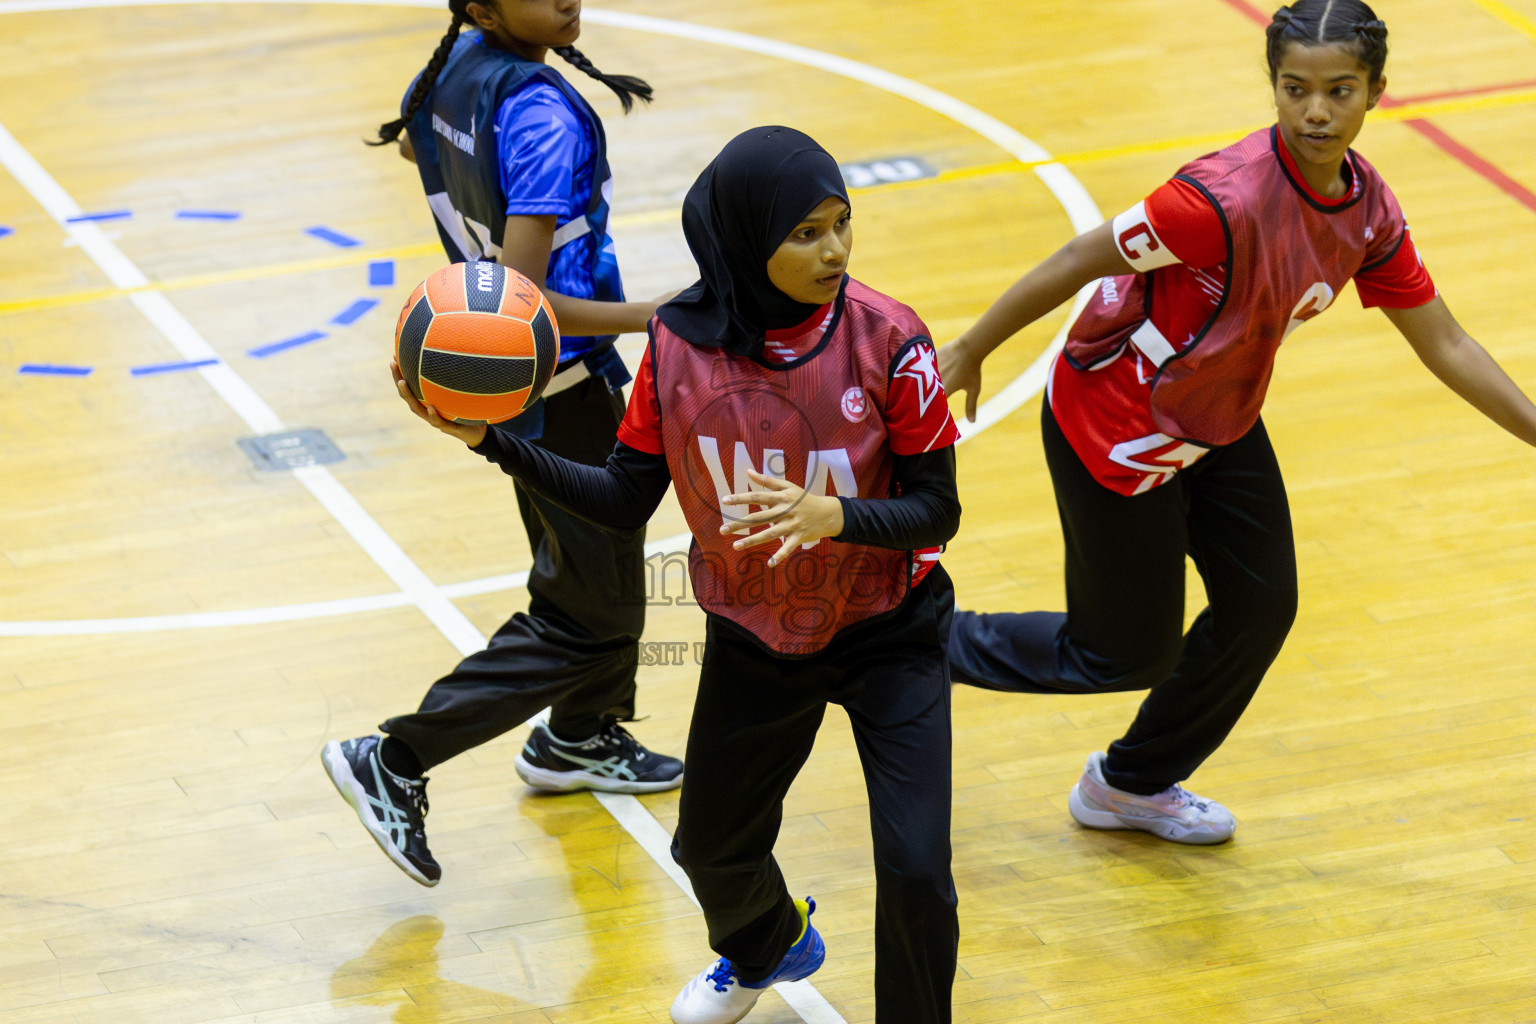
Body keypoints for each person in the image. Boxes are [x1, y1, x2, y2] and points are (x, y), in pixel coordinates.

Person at [396, 126, 964, 1024]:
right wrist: (492, 441)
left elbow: (939, 510)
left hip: (891, 629)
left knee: (917, 869)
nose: (835, 250)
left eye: (841, 225)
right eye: (806, 233)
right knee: (709, 851)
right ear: (742, 238)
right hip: (757, 635)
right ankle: (767, 946)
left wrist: (840, 517)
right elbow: (625, 496)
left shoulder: (890, 339)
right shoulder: (675, 345)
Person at [938, 0, 1536, 846]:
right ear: (1275, 90)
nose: (1316, 111)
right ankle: (911, 637)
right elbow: (1083, 256)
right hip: (1119, 427)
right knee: (1119, 655)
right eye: (1296, 89)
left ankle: (1130, 784)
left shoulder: (1368, 210)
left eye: (1339, 91)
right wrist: (970, 345)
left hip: (1217, 421)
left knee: (1261, 608)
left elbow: (1445, 340)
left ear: (1377, 94)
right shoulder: (1217, 200)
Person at [321, 0, 683, 889]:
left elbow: (418, 143)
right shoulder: (540, 112)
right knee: (586, 616)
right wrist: (672, 320)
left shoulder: (455, 66)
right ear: (480, 4)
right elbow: (520, 317)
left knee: (594, 580)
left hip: (534, 398)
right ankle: (395, 758)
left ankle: (579, 736)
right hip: (561, 388)